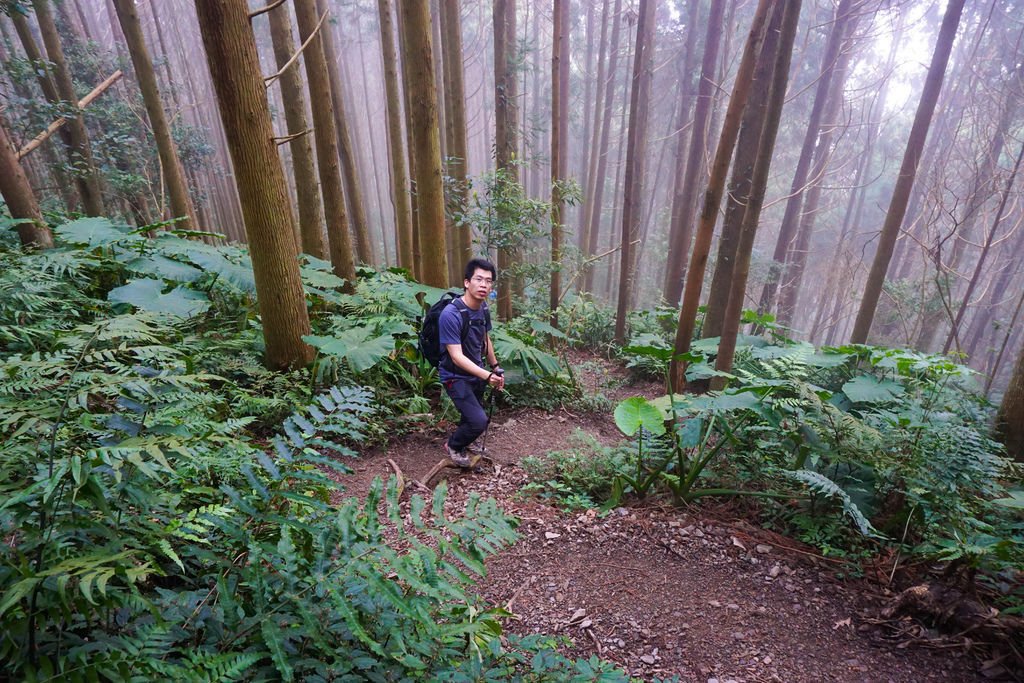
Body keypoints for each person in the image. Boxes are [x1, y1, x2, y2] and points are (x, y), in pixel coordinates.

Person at [439, 258, 505, 467]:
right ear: (467, 282)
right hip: (455, 376)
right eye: (479, 279)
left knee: (472, 414)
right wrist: (487, 375)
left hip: (477, 372)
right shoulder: (450, 314)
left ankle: (464, 440)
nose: (484, 284)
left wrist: (495, 367)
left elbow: (485, 339)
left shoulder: (483, 309)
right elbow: (456, 356)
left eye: (488, 280)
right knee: (479, 420)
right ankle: (454, 445)